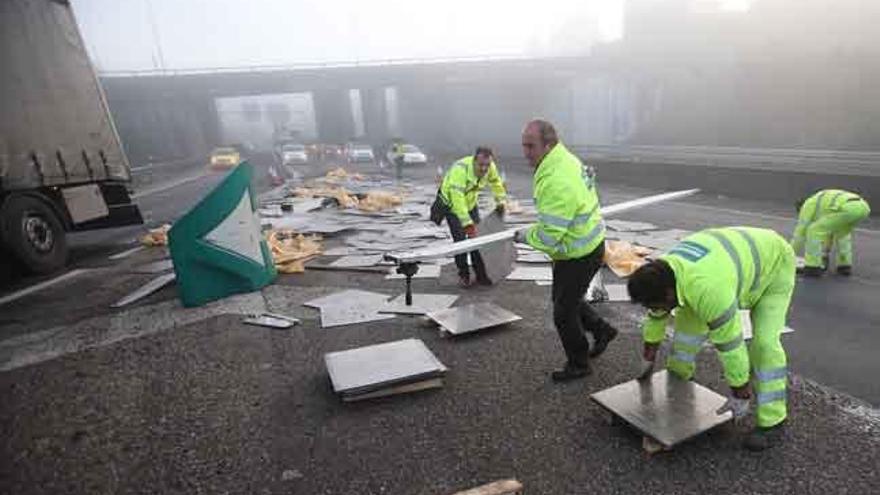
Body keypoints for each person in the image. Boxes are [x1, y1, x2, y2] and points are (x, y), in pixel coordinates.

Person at [627, 227, 795, 451]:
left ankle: (773, 420)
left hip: (772, 267)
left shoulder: (709, 290)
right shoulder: (663, 272)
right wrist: (648, 357)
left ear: (668, 294)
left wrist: (740, 392)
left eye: (656, 304)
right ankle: (679, 392)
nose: (655, 310)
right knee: (683, 343)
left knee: (764, 346)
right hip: (727, 267)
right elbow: (657, 315)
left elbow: (730, 346)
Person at [513, 120, 618, 382]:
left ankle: (579, 363)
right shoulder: (562, 159)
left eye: (531, 146)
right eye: (523, 145)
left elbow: (549, 237)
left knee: (563, 313)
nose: (525, 151)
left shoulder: (556, 179)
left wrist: (525, 235)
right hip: (582, 245)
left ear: (548, 145)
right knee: (566, 301)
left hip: (578, 253)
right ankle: (601, 329)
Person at [438, 146, 507, 287]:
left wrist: (500, 202)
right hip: (452, 206)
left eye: (487, 165)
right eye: (481, 165)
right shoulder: (460, 170)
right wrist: (467, 223)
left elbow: (496, 183)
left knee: (477, 240)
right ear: (474, 161)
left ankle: (481, 275)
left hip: (470, 203)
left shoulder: (490, 166)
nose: (484, 169)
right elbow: (457, 200)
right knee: (461, 242)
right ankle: (464, 275)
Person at [791, 189, 871, 277]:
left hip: (848, 208)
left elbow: (800, 232)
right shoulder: (822, 203)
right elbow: (828, 232)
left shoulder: (808, 204)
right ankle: (844, 265)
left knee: (813, 230)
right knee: (842, 233)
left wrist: (789, 253)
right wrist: (825, 254)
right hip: (863, 207)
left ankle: (813, 267)